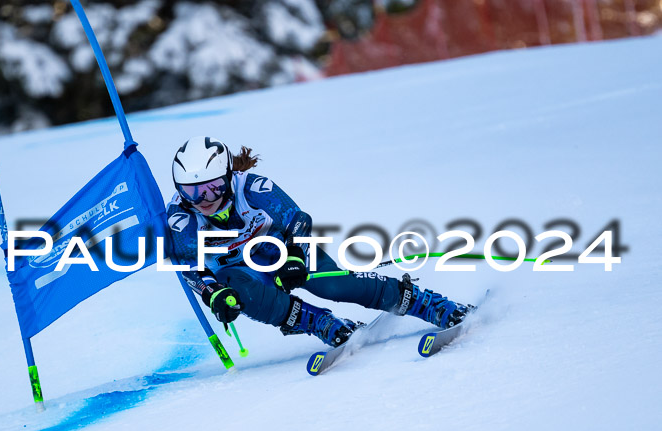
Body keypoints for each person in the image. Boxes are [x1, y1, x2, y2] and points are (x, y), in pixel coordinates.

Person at [167, 136, 470, 347]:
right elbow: (188, 266)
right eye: (191, 191)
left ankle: (423, 301)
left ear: (228, 177)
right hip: (242, 271)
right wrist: (213, 294)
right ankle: (318, 323)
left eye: (211, 187)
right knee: (235, 289)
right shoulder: (181, 217)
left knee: (333, 285)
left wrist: (296, 256)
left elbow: (298, 219)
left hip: (283, 248)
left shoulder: (254, 188)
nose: (202, 199)